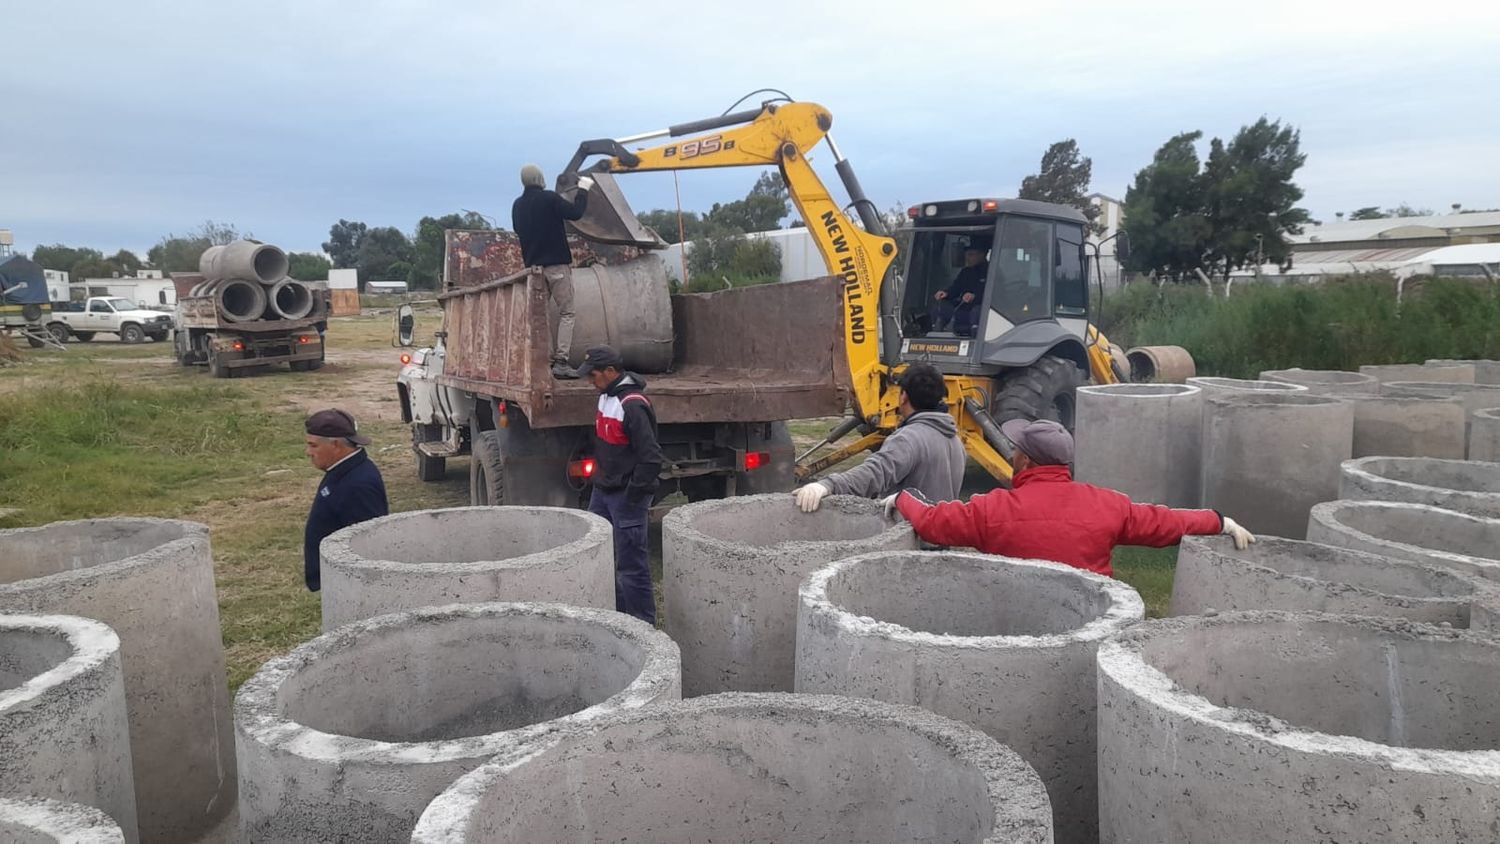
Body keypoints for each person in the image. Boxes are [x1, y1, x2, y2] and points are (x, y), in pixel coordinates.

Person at [885, 418, 1255, 577]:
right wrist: (1219, 521)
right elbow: (1166, 522)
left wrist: (904, 498)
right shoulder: (1107, 504)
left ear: (1025, 460)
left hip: (1020, 625)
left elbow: (933, 523)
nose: (1012, 455)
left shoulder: (992, 509)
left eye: (1015, 451)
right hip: (1093, 628)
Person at [793, 363, 965, 512]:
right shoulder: (954, 440)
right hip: (940, 538)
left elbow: (875, 473)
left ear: (903, 397)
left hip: (908, 540)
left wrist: (828, 485)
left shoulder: (909, 438)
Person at [580, 345, 662, 624]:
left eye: (593, 375)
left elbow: (651, 459)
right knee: (598, 552)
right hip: (602, 491)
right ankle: (617, 614)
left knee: (631, 566)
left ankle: (642, 624)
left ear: (611, 372)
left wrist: (631, 497)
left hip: (625, 496)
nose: (590, 382)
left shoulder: (633, 404)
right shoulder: (605, 396)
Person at [512, 163, 594, 379]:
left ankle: (542, 362)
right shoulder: (549, 199)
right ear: (540, 178)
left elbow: (519, 230)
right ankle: (561, 361)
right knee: (567, 312)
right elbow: (575, 213)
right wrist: (583, 189)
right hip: (556, 265)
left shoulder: (518, 205)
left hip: (533, 270)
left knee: (541, 317)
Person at [302, 409, 389, 592]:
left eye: (313, 445)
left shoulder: (358, 485)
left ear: (335, 445)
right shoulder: (342, 469)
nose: (308, 452)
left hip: (348, 586)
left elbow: (368, 544)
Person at [930, 243, 989, 336]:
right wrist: (946, 293)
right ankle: (936, 335)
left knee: (976, 311)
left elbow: (997, 296)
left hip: (983, 312)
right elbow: (956, 288)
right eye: (966, 255)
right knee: (940, 307)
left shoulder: (992, 272)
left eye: (971, 255)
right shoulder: (966, 272)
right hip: (962, 309)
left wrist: (975, 296)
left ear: (982, 255)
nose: (967, 258)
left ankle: (975, 337)